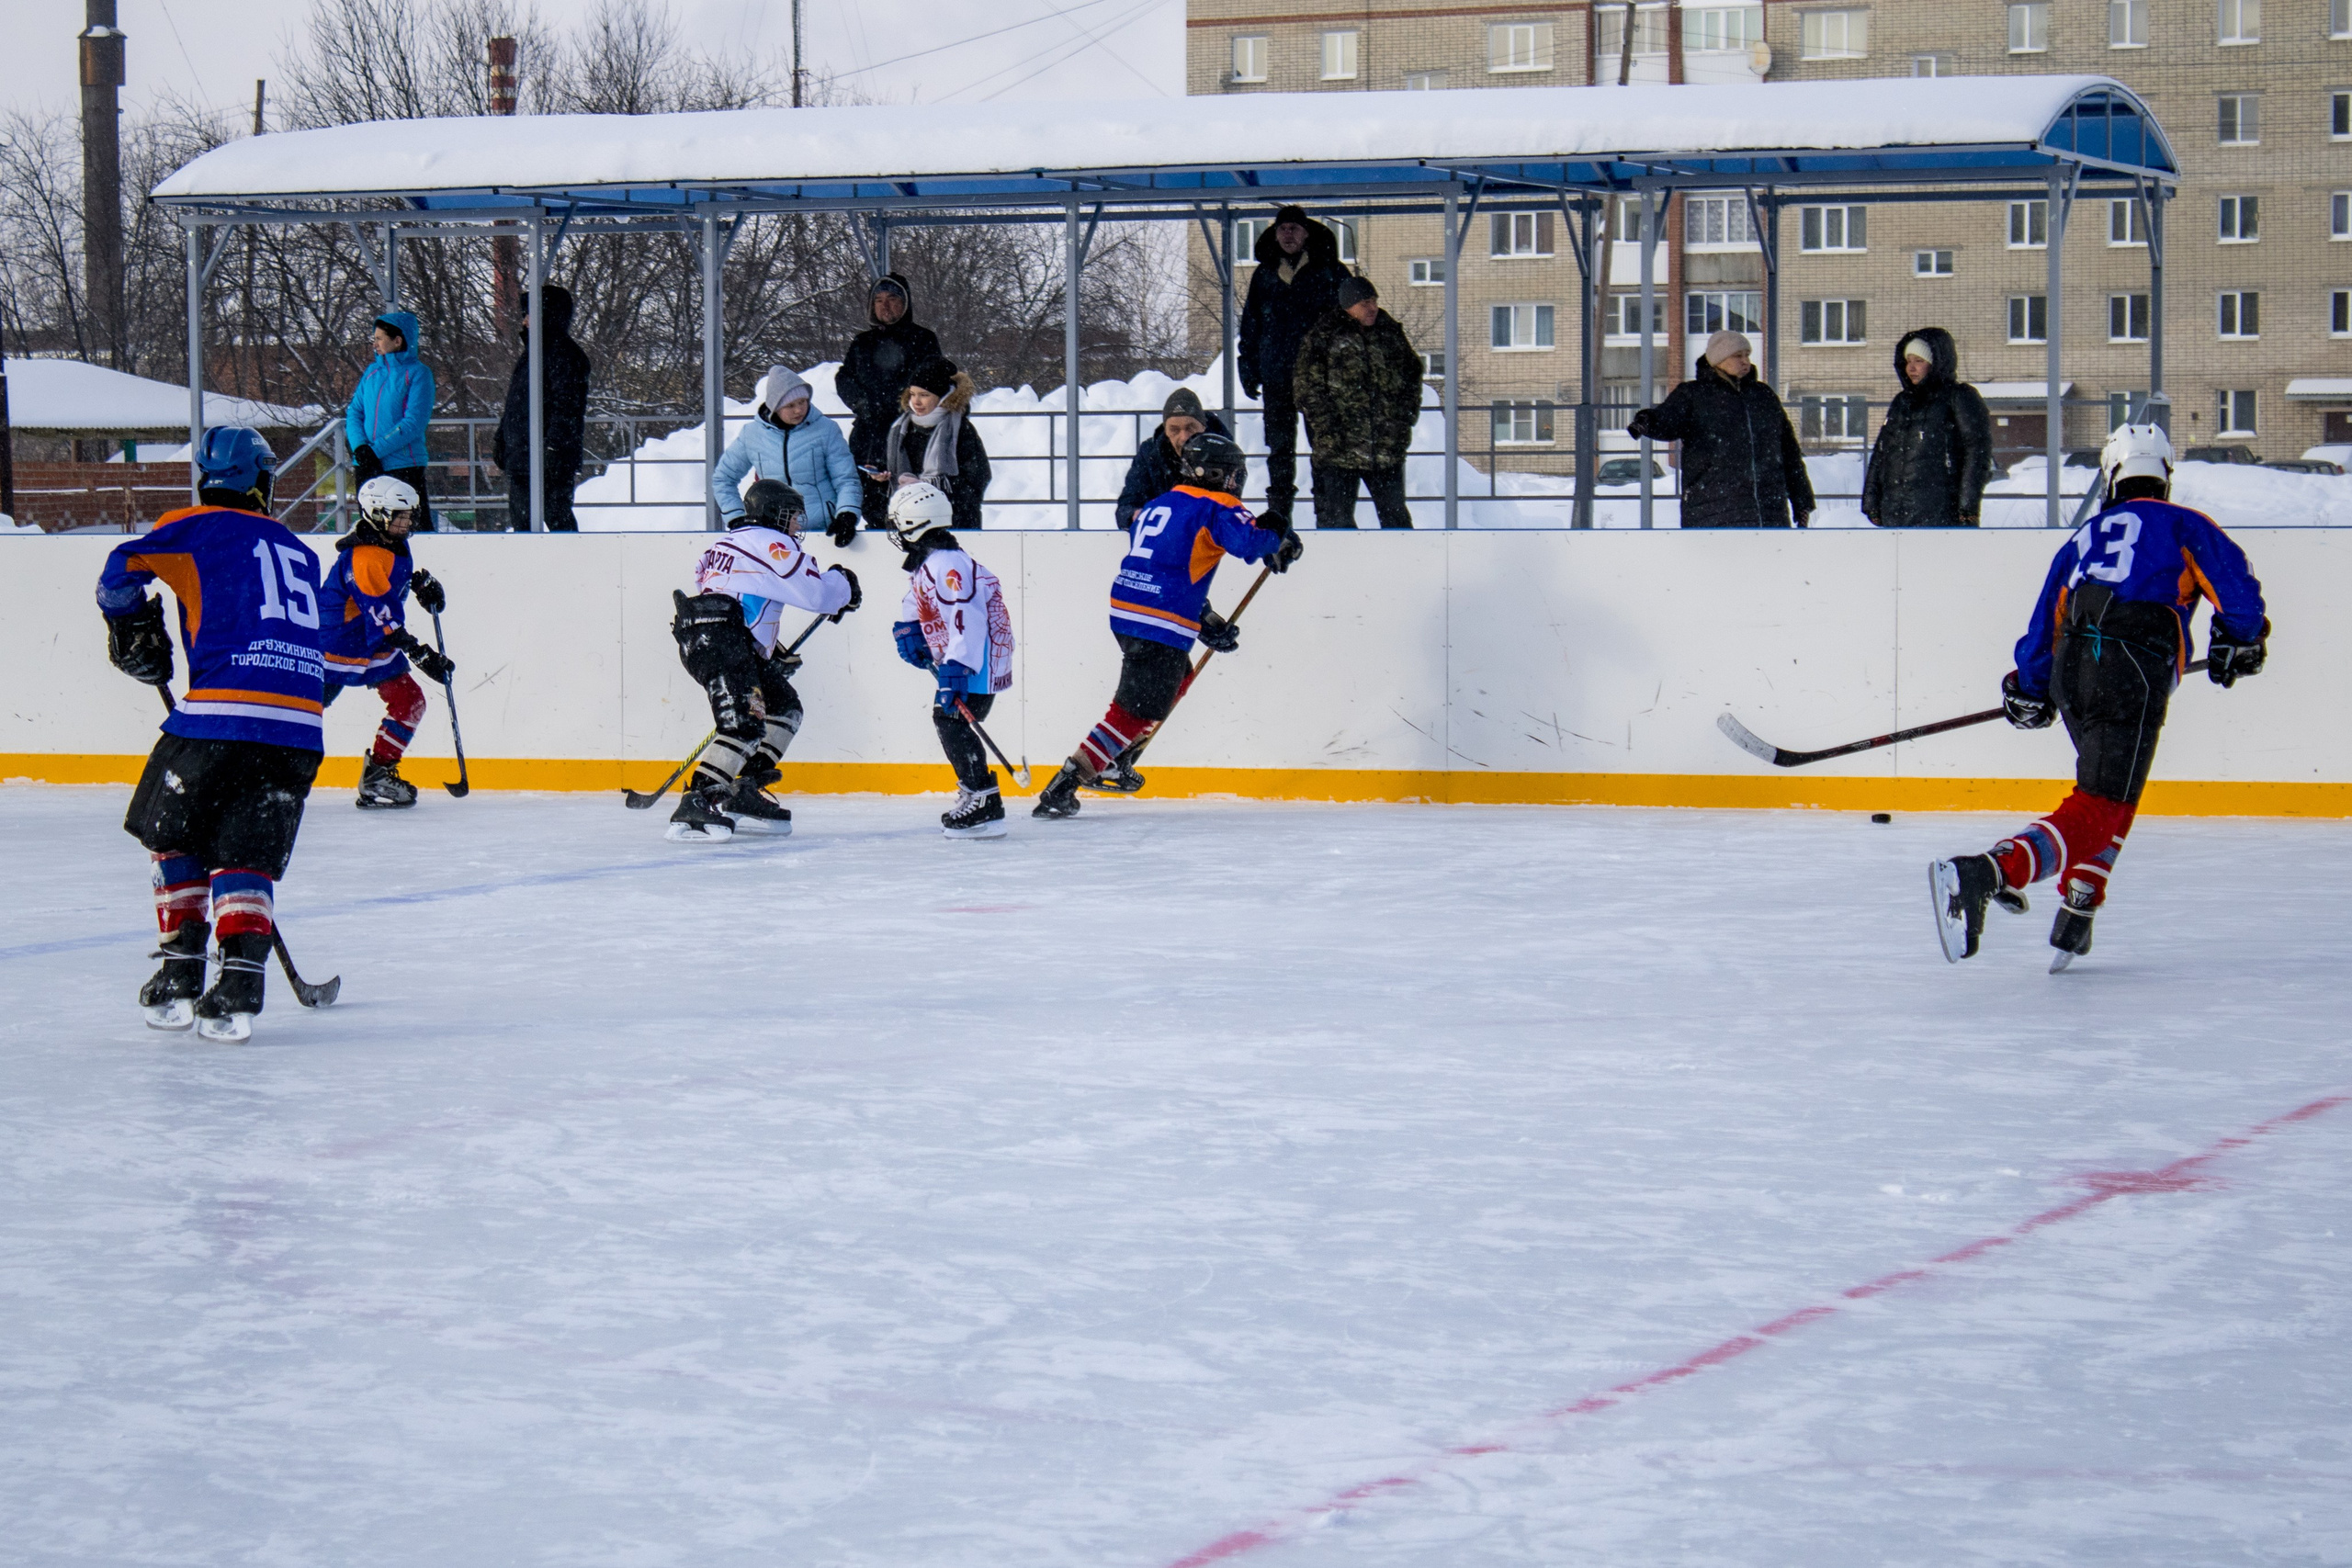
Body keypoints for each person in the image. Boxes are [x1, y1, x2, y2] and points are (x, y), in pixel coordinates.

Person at [1931, 423, 2267, 971]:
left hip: (2074, 669)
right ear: (2164, 476)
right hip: (2133, 666)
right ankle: (1991, 871)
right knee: (2103, 801)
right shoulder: (2185, 523)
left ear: (2112, 475)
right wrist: (2243, 637)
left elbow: (2047, 619)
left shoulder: (2083, 536)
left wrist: (2033, 687)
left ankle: (2080, 904)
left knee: (2110, 787)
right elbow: (2236, 588)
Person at [96, 427, 326, 1042]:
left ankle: (181, 970)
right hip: (301, 728)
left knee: (172, 827)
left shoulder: (196, 526)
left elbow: (116, 575)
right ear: (260, 483)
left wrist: (132, 628)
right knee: (245, 846)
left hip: (223, 711)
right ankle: (241, 981)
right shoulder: (300, 550)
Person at [1031, 431, 1301, 820]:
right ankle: (1069, 782)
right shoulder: (1217, 504)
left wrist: (1202, 617)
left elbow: (1167, 564)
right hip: (1158, 616)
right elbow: (1250, 543)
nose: (1235, 483)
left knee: (1175, 679)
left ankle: (1113, 755)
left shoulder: (1161, 502)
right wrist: (1277, 527)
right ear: (1213, 474)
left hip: (1130, 608)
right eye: (1230, 474)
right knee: (1132, 713)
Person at [666, 479, 861, 842]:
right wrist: (843, 585)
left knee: (784, 707)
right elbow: (815, 592)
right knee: (744, 724)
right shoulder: (772, 542)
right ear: (775, 514)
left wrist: (762, 650)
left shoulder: (724, 544)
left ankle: (745, 787)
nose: (796, 527)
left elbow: (739, 596)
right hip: (724, 641)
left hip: (708, 637)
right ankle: (699, 799)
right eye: (792, 517)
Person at [886, 481, 1018, 839]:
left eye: (898, 523)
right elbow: (919, 596)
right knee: (949, 720)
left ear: (914, 523)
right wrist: (909, 627)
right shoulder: (931, 561)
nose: (895, 531)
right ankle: (980, 795)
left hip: (979, 660)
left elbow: (966, 615)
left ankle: (983, 799)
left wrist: (957, 666)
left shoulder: (948, 563)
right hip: (965, 660)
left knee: (951, 721)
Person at [316, 475, 456, 809]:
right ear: (377, 513)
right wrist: (422, 655)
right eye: (400, 515)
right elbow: (383, 618)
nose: (407, 522)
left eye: (409, 515)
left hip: (370, 639)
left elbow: (389, 597)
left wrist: (420, 587)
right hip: (337, 643)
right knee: (303, 711)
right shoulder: (364, 558)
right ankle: (256, 770)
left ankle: (378, 774)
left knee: (410, 702)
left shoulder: (392, 543)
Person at [1626, 331, 1815, 529]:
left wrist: (1802, 502)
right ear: (1718, 361)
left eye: (1747, 355)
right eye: (1737, 356)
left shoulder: (1764, 396)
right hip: (1714, 511)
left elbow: (1789, 453)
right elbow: (1668, 420)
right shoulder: (1693, 395)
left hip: (1769, 512)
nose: (1745, 361)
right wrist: (1648, 422)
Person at [1237, 206, 1346, 527]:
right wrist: (1248, 364)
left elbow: (1348, 322)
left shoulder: (1330, 271)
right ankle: (1280, 517)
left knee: (1322, 448)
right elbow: (1251, 324)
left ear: (1306, 233)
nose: (1287, 235)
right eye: (1282, 229)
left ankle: (1327, 515)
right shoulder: (1265, 274)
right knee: (1280, 449)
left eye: (1294, 229)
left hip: (1319, 379)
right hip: (1277, 376)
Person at [1293, 276, 1424, 530]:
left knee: (1397, 523)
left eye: (1374, 301)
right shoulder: (1324, 335)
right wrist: (1329, 429)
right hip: (1338, 451)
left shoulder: (1390, 333)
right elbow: (1307, 388)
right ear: (1348, 306)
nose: (1372, 307)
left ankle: (1404, 569)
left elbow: (1412, 376)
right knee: (1336, 524)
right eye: (1365, 302)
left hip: (1385, 449)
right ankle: (1342, 570)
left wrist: (1403, 419)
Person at [836, 272, 944, 541]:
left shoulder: (923, 339)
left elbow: (935, 382)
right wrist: (863, 404)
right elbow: (844, 379)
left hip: (909, 434)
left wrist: (901, 405)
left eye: (893, 299)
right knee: (872, 505)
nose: (885, 305)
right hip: (869, 437)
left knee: (913, 501)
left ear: (905, 303)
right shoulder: (862, 343)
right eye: (879, 300)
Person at [709, 366, 861, 539]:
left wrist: (847, 514)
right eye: (790, 405)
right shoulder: (751, 435)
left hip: (823, 530)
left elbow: (846, 478)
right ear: (775, 406)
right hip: (772, 532)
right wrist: (736, 518)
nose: (799, 410)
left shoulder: (826, 430)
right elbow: (723, 478)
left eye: (803, 402)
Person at [1861, 328, 1993, 528]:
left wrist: (1968, 505)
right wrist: (1871, 501)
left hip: (1941, 512)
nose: (1911, 368)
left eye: (1919, 361)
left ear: (1936, 363)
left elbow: (1977, 452)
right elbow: (1881, 453)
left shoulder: (1958, 397)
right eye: (1908, 361)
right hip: (1895, 512)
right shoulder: (1901, 402)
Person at [492, 283, 593, 532]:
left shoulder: (564, 355)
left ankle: (570, 567)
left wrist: (554, 448)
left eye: (529, 315)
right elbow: (517, 404)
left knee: (555, 515)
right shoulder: (532, 355)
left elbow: (567, 407)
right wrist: (502, 437)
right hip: (524, 456)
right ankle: (530, 568)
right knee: (524, 520)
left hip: (547, 458)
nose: (524, 322)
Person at [869, 358, 990, 533]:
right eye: (912, 394)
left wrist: (928, 493)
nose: (916, 401)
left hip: (953, 520)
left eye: (924, 395)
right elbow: (892, 474)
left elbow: (978, 476)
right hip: (908, 519)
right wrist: (881, 477)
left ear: (942, 397)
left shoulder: (960, 428)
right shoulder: (900, 428)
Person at [345, 309, 437, 533]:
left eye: (379, 339)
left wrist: (374, 451)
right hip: (368, 466)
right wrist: (361, 448)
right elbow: (354, 412)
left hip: (403, 466)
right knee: (371, 530)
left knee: (411, 528)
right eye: (374, 339)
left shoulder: (418, 374)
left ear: (397, 340)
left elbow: (413, 423)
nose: (374, 344)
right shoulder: (371, 372)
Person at [1114, 387, 1228, 531]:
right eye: (1174, 429)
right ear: (1165, 430)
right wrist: (1135, 515)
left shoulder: (1224, 453)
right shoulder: (1150, 453)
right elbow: (1127, 505)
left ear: (1203, 426)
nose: (1184, 437)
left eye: (1191, 427)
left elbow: (1228, 510)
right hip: (1161, 536)